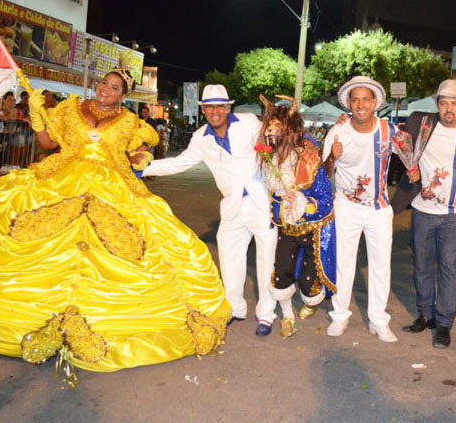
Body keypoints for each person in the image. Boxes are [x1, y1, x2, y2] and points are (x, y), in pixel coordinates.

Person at [0, 68, 231, 381]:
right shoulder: (70, 108)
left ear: (124, 95)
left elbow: (140, 150)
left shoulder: (132, 123)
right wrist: (39, 115)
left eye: (114, 87)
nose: (105, 89)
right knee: (14, 229)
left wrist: (142, 158)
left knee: (136, 246)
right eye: (103, 83)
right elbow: (47, 143)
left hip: (112, 186)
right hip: (62, 178)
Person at [143, 85, 278, 337]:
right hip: (231, 207)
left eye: (220, 106)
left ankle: (266, 314)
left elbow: (276, 135)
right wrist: (144, 168)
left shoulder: (249, 122)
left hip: (262, 203)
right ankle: (236, 308)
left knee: (266, 260)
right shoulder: (200, 137)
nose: (215, 111)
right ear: (203, 110)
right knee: (229, 259)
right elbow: (179, 162)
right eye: (209, 107)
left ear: (228, 107)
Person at [391, 79, 456, 348]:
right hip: (422, 209)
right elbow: (392, 135)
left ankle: (444, 323)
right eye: (443, 103)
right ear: (436, 105)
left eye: (454, 103)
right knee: (421, 265)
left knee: (450, 269)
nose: (448, 108)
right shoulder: (421, 123)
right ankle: (425, 315)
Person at [323, 76, 402, 343]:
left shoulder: (389, 130)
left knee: (381, 266)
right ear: (348, 103)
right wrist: (332, 157)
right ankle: (340, 316)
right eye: (354, 99)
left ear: (375, 103)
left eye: (365, 99)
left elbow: (410, 156)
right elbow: (325, 173)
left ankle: (378, 321)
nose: (360, 105)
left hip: (379, 208)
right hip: (346, 206)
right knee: (345, 264)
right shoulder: (337, 132)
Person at [257, 95, 336, 338]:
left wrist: (304, 202)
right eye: (269, 127)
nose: (271, 133)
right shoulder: (268, 161)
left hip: (312, 230)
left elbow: (326, 200)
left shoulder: (309, 159)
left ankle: (312, 302)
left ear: (289, 131)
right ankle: (287, 314)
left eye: (276, 128)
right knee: (281, 273)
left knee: (308, 282)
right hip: (286, 229)